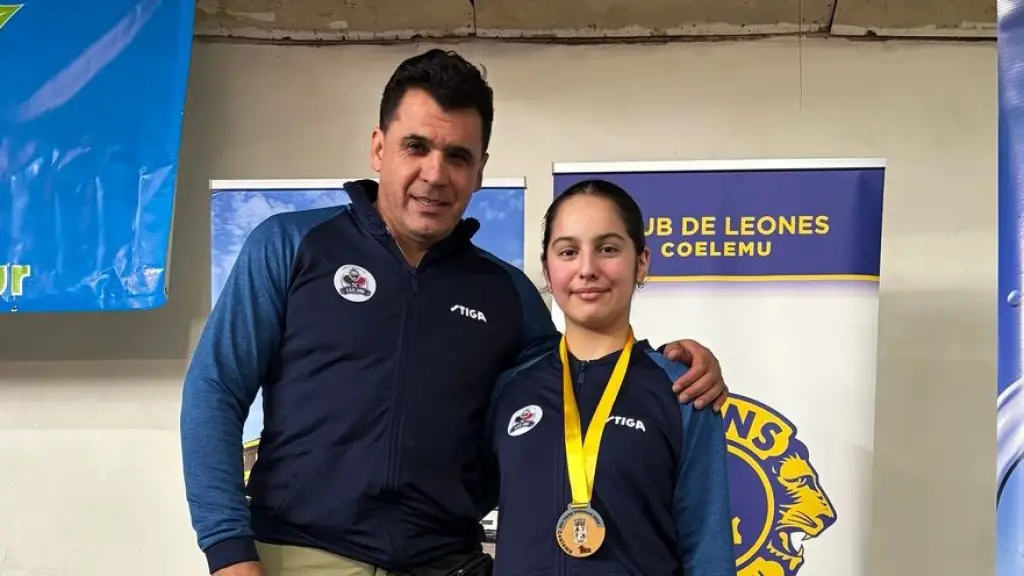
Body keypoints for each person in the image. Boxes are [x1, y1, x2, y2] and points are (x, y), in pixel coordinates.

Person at [180, 48, 730, 576]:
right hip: (298, 557)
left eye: (458, 156)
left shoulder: (507, 294)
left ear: (481, 169)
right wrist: (228, 549)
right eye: (415, 146)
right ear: (378, 148)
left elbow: (576, 382)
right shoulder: (291, 246)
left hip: (445, 564)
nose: (436, 174)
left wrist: (674, 364)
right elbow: (214, 390)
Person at [488, 179, 734, 575]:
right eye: (568, 251)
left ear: (641, 262)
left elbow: (708, 549)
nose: (587, 269)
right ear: (548, 270)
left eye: (607, 249)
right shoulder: (510, 389)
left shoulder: (682, 390)